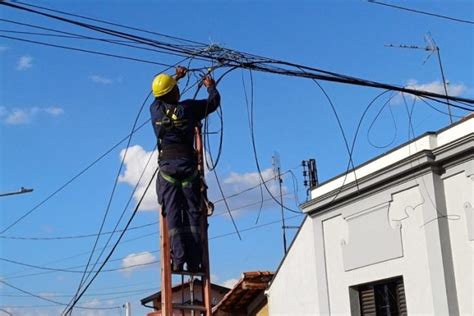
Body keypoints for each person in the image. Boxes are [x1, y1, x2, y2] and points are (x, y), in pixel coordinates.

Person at [150, 66, 220, 272]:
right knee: (192, 213)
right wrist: (211, 87)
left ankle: (178, 261)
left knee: (172, 214)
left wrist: (176, 77)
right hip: (188, 166)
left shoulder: (155, 111)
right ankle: (196, 261)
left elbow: (158, 96)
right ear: (174, 92)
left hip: (167, 169)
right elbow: (213, 103)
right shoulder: (188, 108)